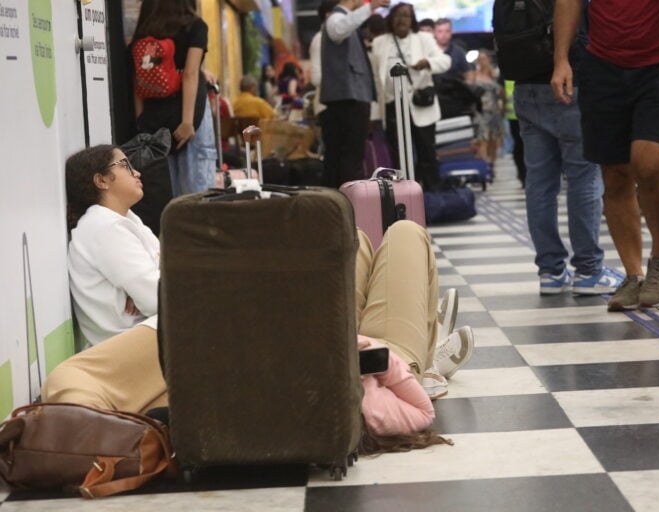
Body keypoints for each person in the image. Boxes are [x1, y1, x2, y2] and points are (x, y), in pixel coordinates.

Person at [49, 169, 475, 450]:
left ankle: (427, 337)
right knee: (403, 233)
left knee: (360, 242)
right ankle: (428, 346)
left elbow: (69, 386)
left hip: (313, 334)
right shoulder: (169, 334)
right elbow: (418, 411)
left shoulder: (167, 339)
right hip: (366, 356)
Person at [551, 0, 659, 310]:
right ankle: (632, 273)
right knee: (614, 172)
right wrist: (561, 59)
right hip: (603, 63)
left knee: (648, 164)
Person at [493, 0, 620, 297]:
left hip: (524, 89)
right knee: (584, 178)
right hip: (569, 83)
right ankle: (588, 269)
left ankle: (550, 271)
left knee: (539, 183)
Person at [65, 145, 157, 346]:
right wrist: (144, 294)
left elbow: (166, 265)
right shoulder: (104, 227)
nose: (137, 172)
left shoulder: (123, 219)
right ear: (101, 180)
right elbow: (158, 298)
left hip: (145, 332)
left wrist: (138, 293)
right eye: (125, 165)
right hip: (129, 346)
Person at [130, 0, 216, 197]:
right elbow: (190, 74)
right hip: (191, 119)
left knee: (171, 195)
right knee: (198, 195)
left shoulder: (145, 30)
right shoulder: (195, 26)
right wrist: (187, 121)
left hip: (156, 122)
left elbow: (138, 79)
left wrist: (141, 119)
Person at [370, 2, 450, 191]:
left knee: (426, 151)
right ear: (390, 19)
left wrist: (428, 62)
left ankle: (432, 194)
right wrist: (374, 113)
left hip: (420, 105)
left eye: (406, 16)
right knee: (398, 154)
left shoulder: (423, 39)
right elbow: (375, 79)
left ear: (412, 19)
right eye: (398, 15)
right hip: (392, 105)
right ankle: (404, 193)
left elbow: (445, 61)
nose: (401, 19)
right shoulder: (379, 42)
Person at [320, 0, 391, 187]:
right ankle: (351, 203)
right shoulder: (336, 17)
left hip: (351, 96)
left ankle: (343, 201)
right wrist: (370, 8)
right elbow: (338, 30)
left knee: (346, 155)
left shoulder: (344, 20)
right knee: (350, 156)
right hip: (348, 98)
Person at [472, 49, 505, 171]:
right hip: (481, 111)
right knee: (482, 138)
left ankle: (492, 164)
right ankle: (484, 166)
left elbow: (502, 93)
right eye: (479, 59)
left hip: (495, 110)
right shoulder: (475, 75)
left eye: (484, 58)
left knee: (494, 139)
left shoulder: (495, 74)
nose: (482, 61)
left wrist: (504, 109)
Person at [432, 18, 472, 82]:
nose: (444, 35)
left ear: (451, 32)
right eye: (440, 31)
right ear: (434, 33)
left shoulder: (458, 52)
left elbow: (468, 74)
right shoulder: (428, 51)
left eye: (447, 31)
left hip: (455, 89)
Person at [504, 80, 526, 187]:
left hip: (513, 115)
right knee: (521, 146)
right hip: (518, 115)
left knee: (519, 146)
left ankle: (523, 175)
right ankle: (523, 174)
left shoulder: (507, 73)